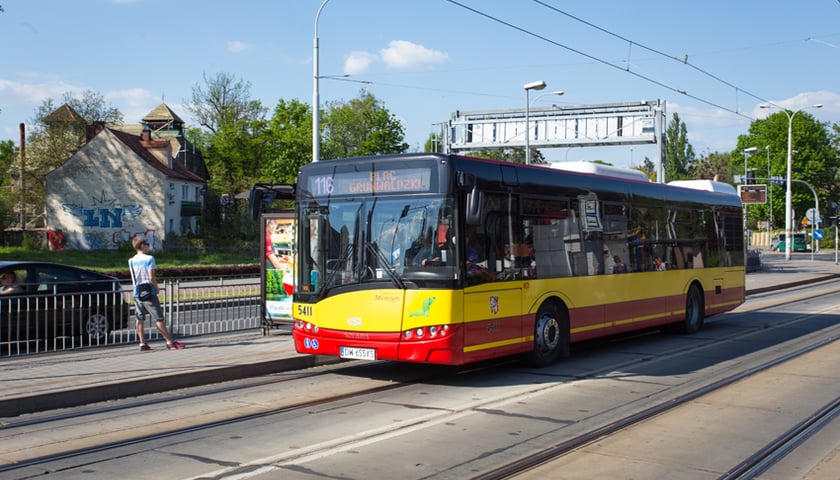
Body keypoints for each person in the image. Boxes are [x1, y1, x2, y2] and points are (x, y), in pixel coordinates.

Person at [128, 236, 185, 351]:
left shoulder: (131, 260)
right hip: (149, 292)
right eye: (147, 244)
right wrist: (157, 288)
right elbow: (151, 277)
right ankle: (169, 342)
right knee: (159, 318)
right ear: (142, 246)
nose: (148, 246)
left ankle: (142, 343)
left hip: (137, 292)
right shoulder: (149, 259)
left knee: (140, 318)